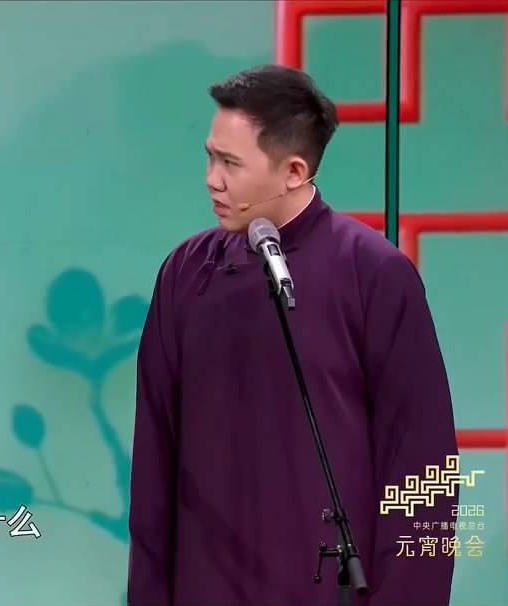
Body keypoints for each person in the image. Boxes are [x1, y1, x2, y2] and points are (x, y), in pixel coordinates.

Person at [127, 65, 459, 606]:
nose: (212, 179)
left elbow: (423, 466)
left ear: (294, 171)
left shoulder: (374, 273)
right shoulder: (185, 274)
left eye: (231, 163)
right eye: (210, 157)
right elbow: (154, 461)